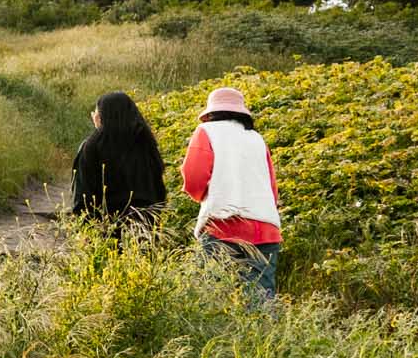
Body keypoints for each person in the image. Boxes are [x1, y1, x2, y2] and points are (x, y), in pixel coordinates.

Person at [181, 86, 281, 299]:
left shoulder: (206, 132)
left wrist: (205, 196)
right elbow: (272, 189)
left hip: (223, 226)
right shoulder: (257, 138)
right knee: (261, 300)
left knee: (214, 297)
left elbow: (194, 177)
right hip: (266, 229)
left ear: (211, 112)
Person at [70, 90, 167, 233]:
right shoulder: (145, 143)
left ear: (102, 116)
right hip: (144, 227)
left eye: (96, 112)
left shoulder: (92, 146)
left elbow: (82, 194)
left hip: (106, 229)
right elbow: (158, 189)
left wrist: (86, 230)